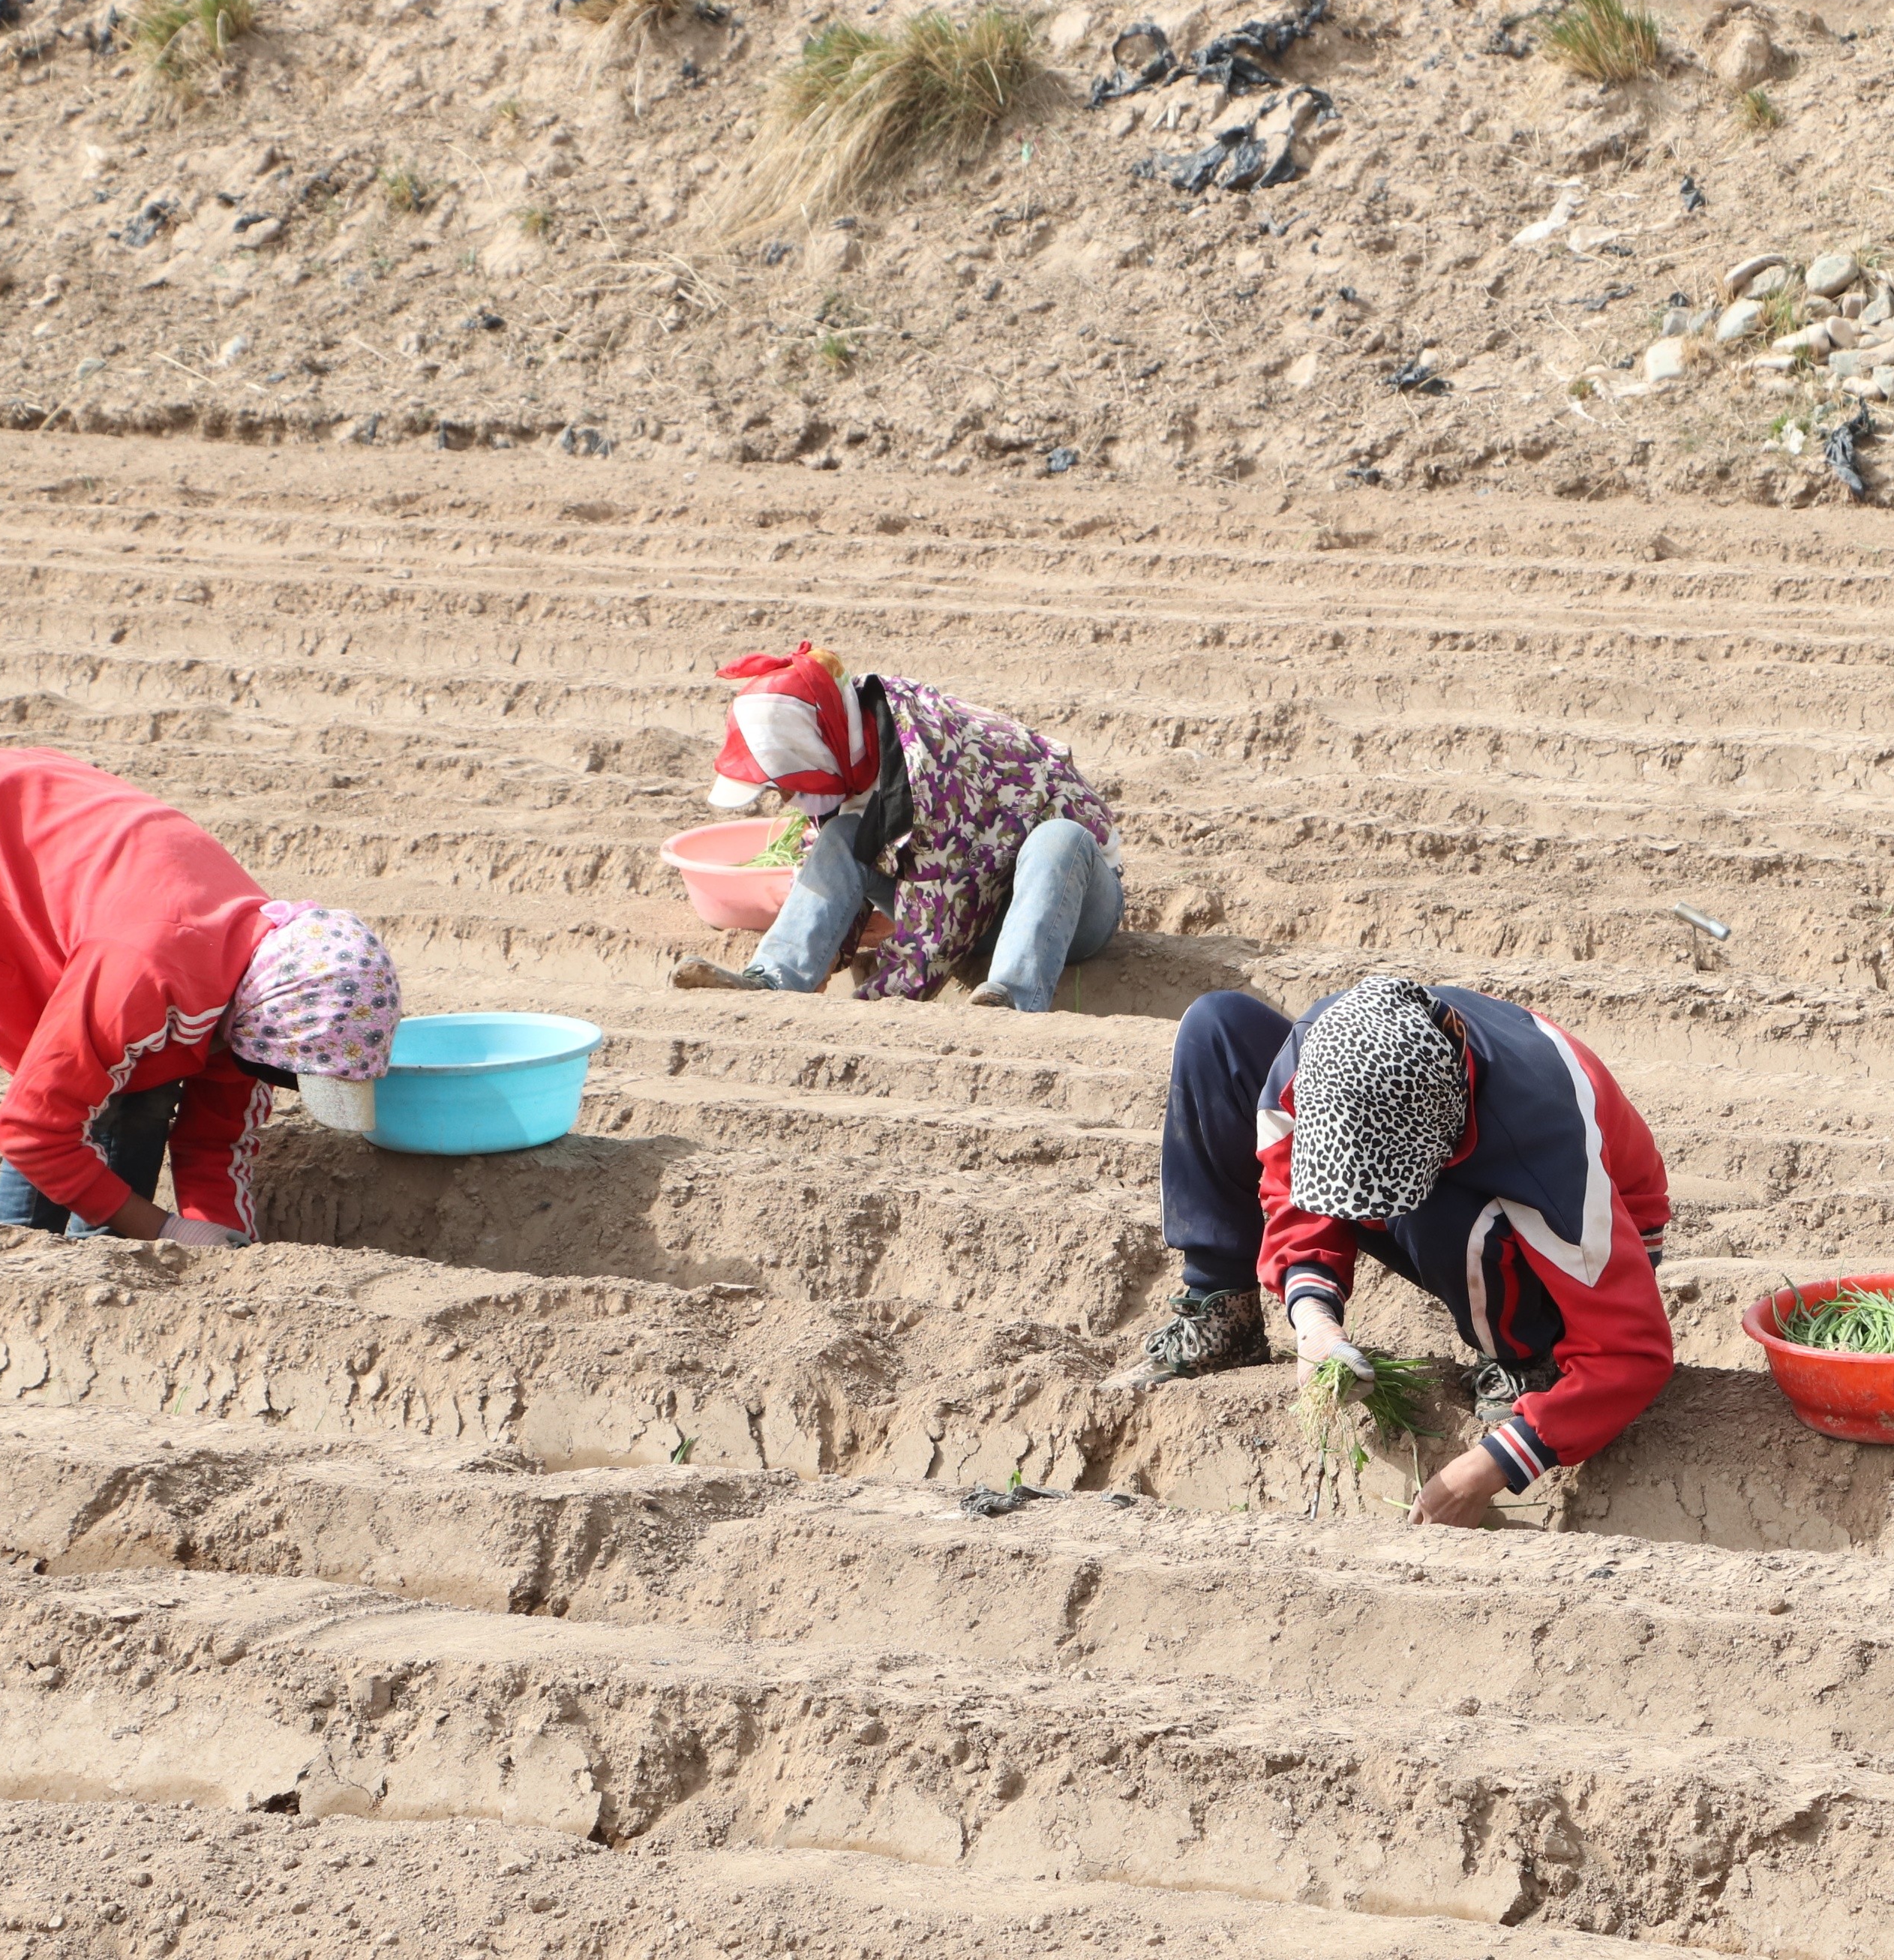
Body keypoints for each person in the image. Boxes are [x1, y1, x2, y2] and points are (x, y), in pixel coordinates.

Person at [1124, 974, 1675, 1529]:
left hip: (1583, 1236)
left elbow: (1632, 1352)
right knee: (1217, 1029)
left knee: (1439, 1211)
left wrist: (1486, 1468)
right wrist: (1313, 1318)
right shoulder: (1321, 1046)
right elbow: (1295, 1179)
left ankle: (1524, 1357)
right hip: (1446, 1170)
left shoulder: (1549, 1137)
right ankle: (1222, 1313)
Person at [0, 748, 401, 1247]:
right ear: (265, 1026)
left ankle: (101, 1256)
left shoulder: (268, 984)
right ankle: (18, 1265)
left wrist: (231, 1249)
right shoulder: (145, 971)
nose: (278, 1079)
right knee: (90, 1098)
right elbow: (33, 1130)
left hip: (38, 838)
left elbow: (216, 1142)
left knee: (134, 1086)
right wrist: (164, 1229)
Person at [668, 644, 1122, 1010]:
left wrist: (877, 1004)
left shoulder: (929, 768)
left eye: (785, 780)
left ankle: (1014, 999)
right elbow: (843, 869)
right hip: (977, 903)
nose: (786, 796)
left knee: (1056, 838)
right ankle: (774, 978)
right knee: (843, 836)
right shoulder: (845, 746)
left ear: (810, 751)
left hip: (1070, 902)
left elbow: (943, 916)